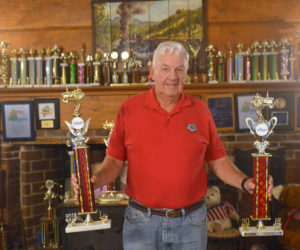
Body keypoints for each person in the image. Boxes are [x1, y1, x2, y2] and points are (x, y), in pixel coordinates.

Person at [72, 41, 273, 250]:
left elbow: (218, 162)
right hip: (141, 222)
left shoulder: (201, 111)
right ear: (152, 72)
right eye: (165, 68)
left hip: (191, 223)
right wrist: (93, 183)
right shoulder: (128, 109)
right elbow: (113, 161)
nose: (173, 76)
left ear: (186, 73)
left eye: (179, 69)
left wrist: (245, 183)